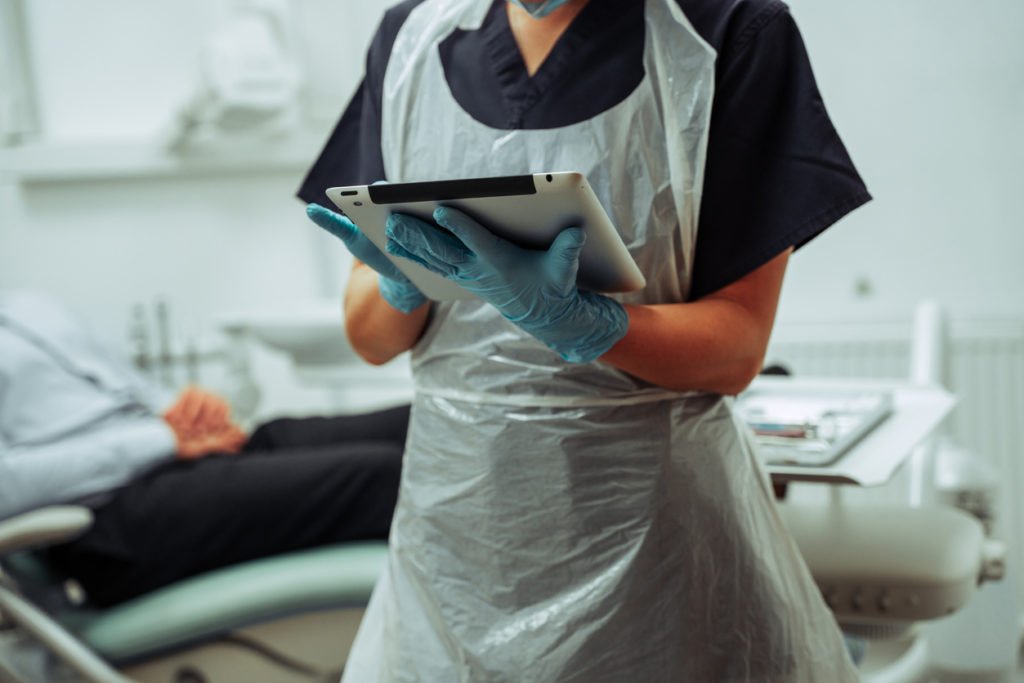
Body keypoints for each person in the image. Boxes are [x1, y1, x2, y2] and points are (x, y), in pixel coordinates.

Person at [298, 0, 870, 679]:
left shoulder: (727, 31)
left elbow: (737, 348)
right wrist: (404, 284)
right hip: (455, 539)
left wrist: (589, 325)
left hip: (649, 545)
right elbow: (369, 338)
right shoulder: (411, 44)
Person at [0, 290, 405, 607]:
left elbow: (131, 391)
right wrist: (164, 439)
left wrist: (187, 412)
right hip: (109, 519)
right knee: (384, 476)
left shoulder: (30, 307)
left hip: (179, 460)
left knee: (415, 425)